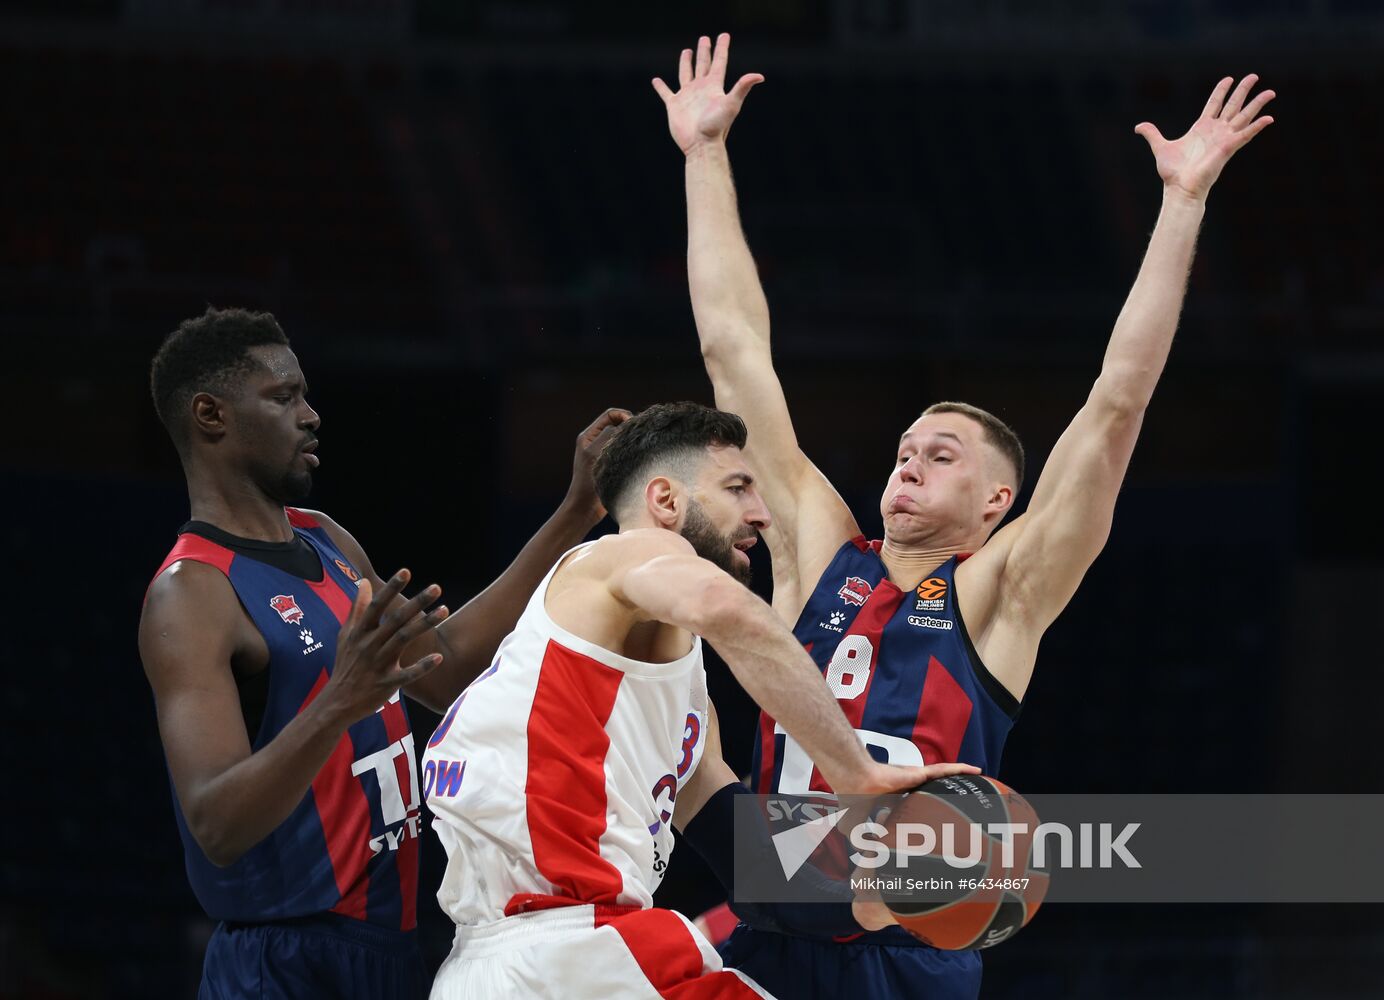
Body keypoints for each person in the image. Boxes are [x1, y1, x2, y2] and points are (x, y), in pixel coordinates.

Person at [653, 33, 1275, 998]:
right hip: (772, 900)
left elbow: (1117, 404)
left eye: (940, 455)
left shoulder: (999, 591)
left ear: (997, 502)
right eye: (905, 448)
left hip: (908, 937)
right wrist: (703, 157)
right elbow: (736, 352)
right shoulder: (823, 552)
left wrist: (1182, 203)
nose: (908, 460)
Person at [138, 305, 629, 999]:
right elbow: (217, 826)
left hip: (390, 943)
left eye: (305, 394)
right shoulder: (191, 593)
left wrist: (577, 513)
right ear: (211, 416)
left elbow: (447, 662)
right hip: (284, 958)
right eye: (283, 397)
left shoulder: (326, 540)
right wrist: (340, 700)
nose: (311, 415)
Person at [420, 401, 977, 999]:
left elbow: (752, 867)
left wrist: (882, 902)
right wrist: (854, 769)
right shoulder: (621, 555)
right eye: (737, 488)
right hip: (573, 952)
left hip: (509, 964)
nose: (760, 515)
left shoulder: (675, 701)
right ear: (665, 501)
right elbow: (729, 612)